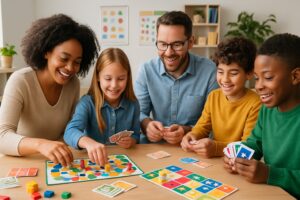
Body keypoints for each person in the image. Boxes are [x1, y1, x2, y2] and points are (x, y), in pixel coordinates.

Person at [0, 14, 99, 166]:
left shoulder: (73, 84)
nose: (70, 68)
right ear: (46, 52)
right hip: (23, 163)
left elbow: (69, 130)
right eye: (64, 59)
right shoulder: (20, 81)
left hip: (57, 163)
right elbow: (2, 136)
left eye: (76, 62)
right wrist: (41, 145)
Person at [223, 33, 300, 198]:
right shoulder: (268, 109)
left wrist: (270, 174)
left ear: (295, 76)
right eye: (257, 78)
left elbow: (270, 174)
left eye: (268, 78)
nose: (258, 86)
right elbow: (255, 143)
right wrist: (238, 159)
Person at [135, 11, 218, 144]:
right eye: (162, 44)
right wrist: (147, 125)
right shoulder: (146, 70)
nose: (168, 53)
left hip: (193, 145)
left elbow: (214, 120)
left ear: (190, 42)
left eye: (177, 45)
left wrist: (186, 130)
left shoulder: (209, 71)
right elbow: (138, 113)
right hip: (154, 146)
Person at [181, 37, 261, 158]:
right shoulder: (214, 96)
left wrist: (217, 148)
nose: (225, 79)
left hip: (238, 163)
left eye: (233, 73)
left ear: (249, 73)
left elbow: (247, 146)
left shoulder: (255, 103)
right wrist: (192, 135)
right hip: (214, 161)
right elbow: (202, 126)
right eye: (220, 72)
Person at [64, 48, 140, 166]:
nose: (114, 85)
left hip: (121, 163)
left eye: (121, 79)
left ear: (128, 77)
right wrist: (88, 142)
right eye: (108, 79)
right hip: (93, 163)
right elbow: (69, 132)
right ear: (98, 77)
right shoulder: (87, 103)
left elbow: (136, 134)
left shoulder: (133, 104)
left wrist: (132, 141)